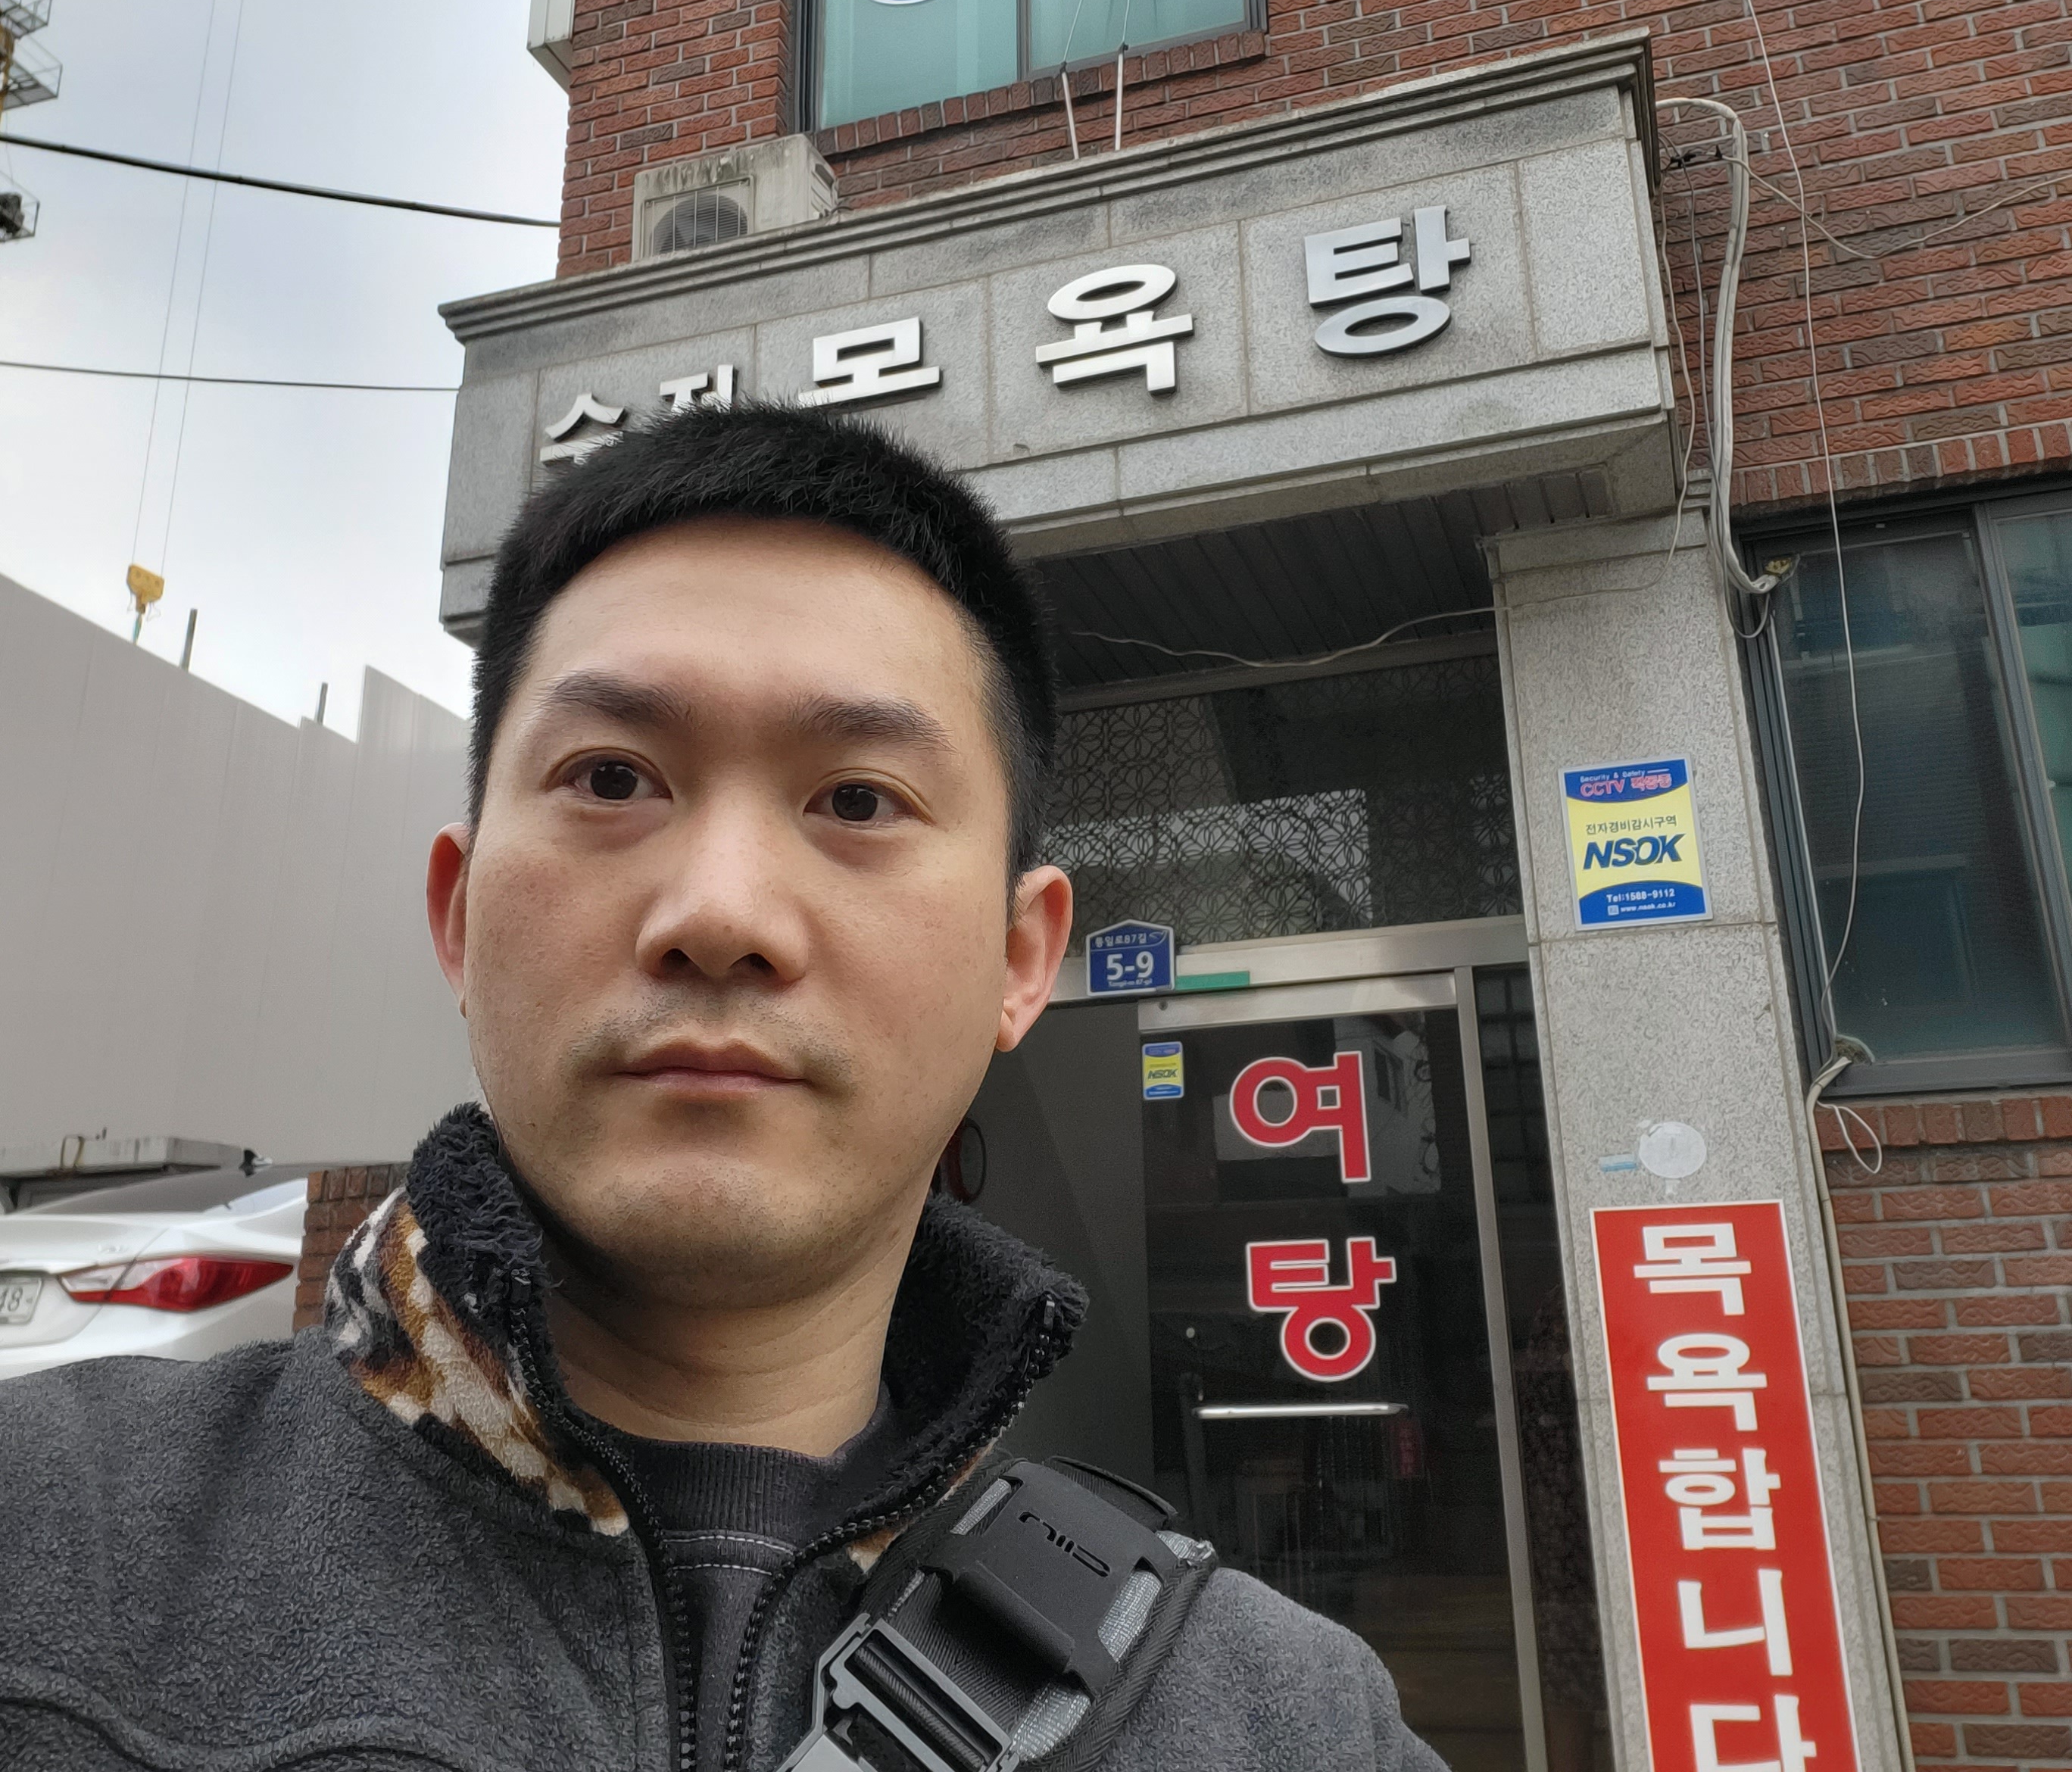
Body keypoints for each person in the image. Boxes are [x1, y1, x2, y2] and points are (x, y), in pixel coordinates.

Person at [0, 405, 1446, 1772]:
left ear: (1021, 959)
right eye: (612, 779)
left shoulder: (1288, 1721)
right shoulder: (46, 1547)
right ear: (458, 915)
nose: (720, 913)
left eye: (858, 800)